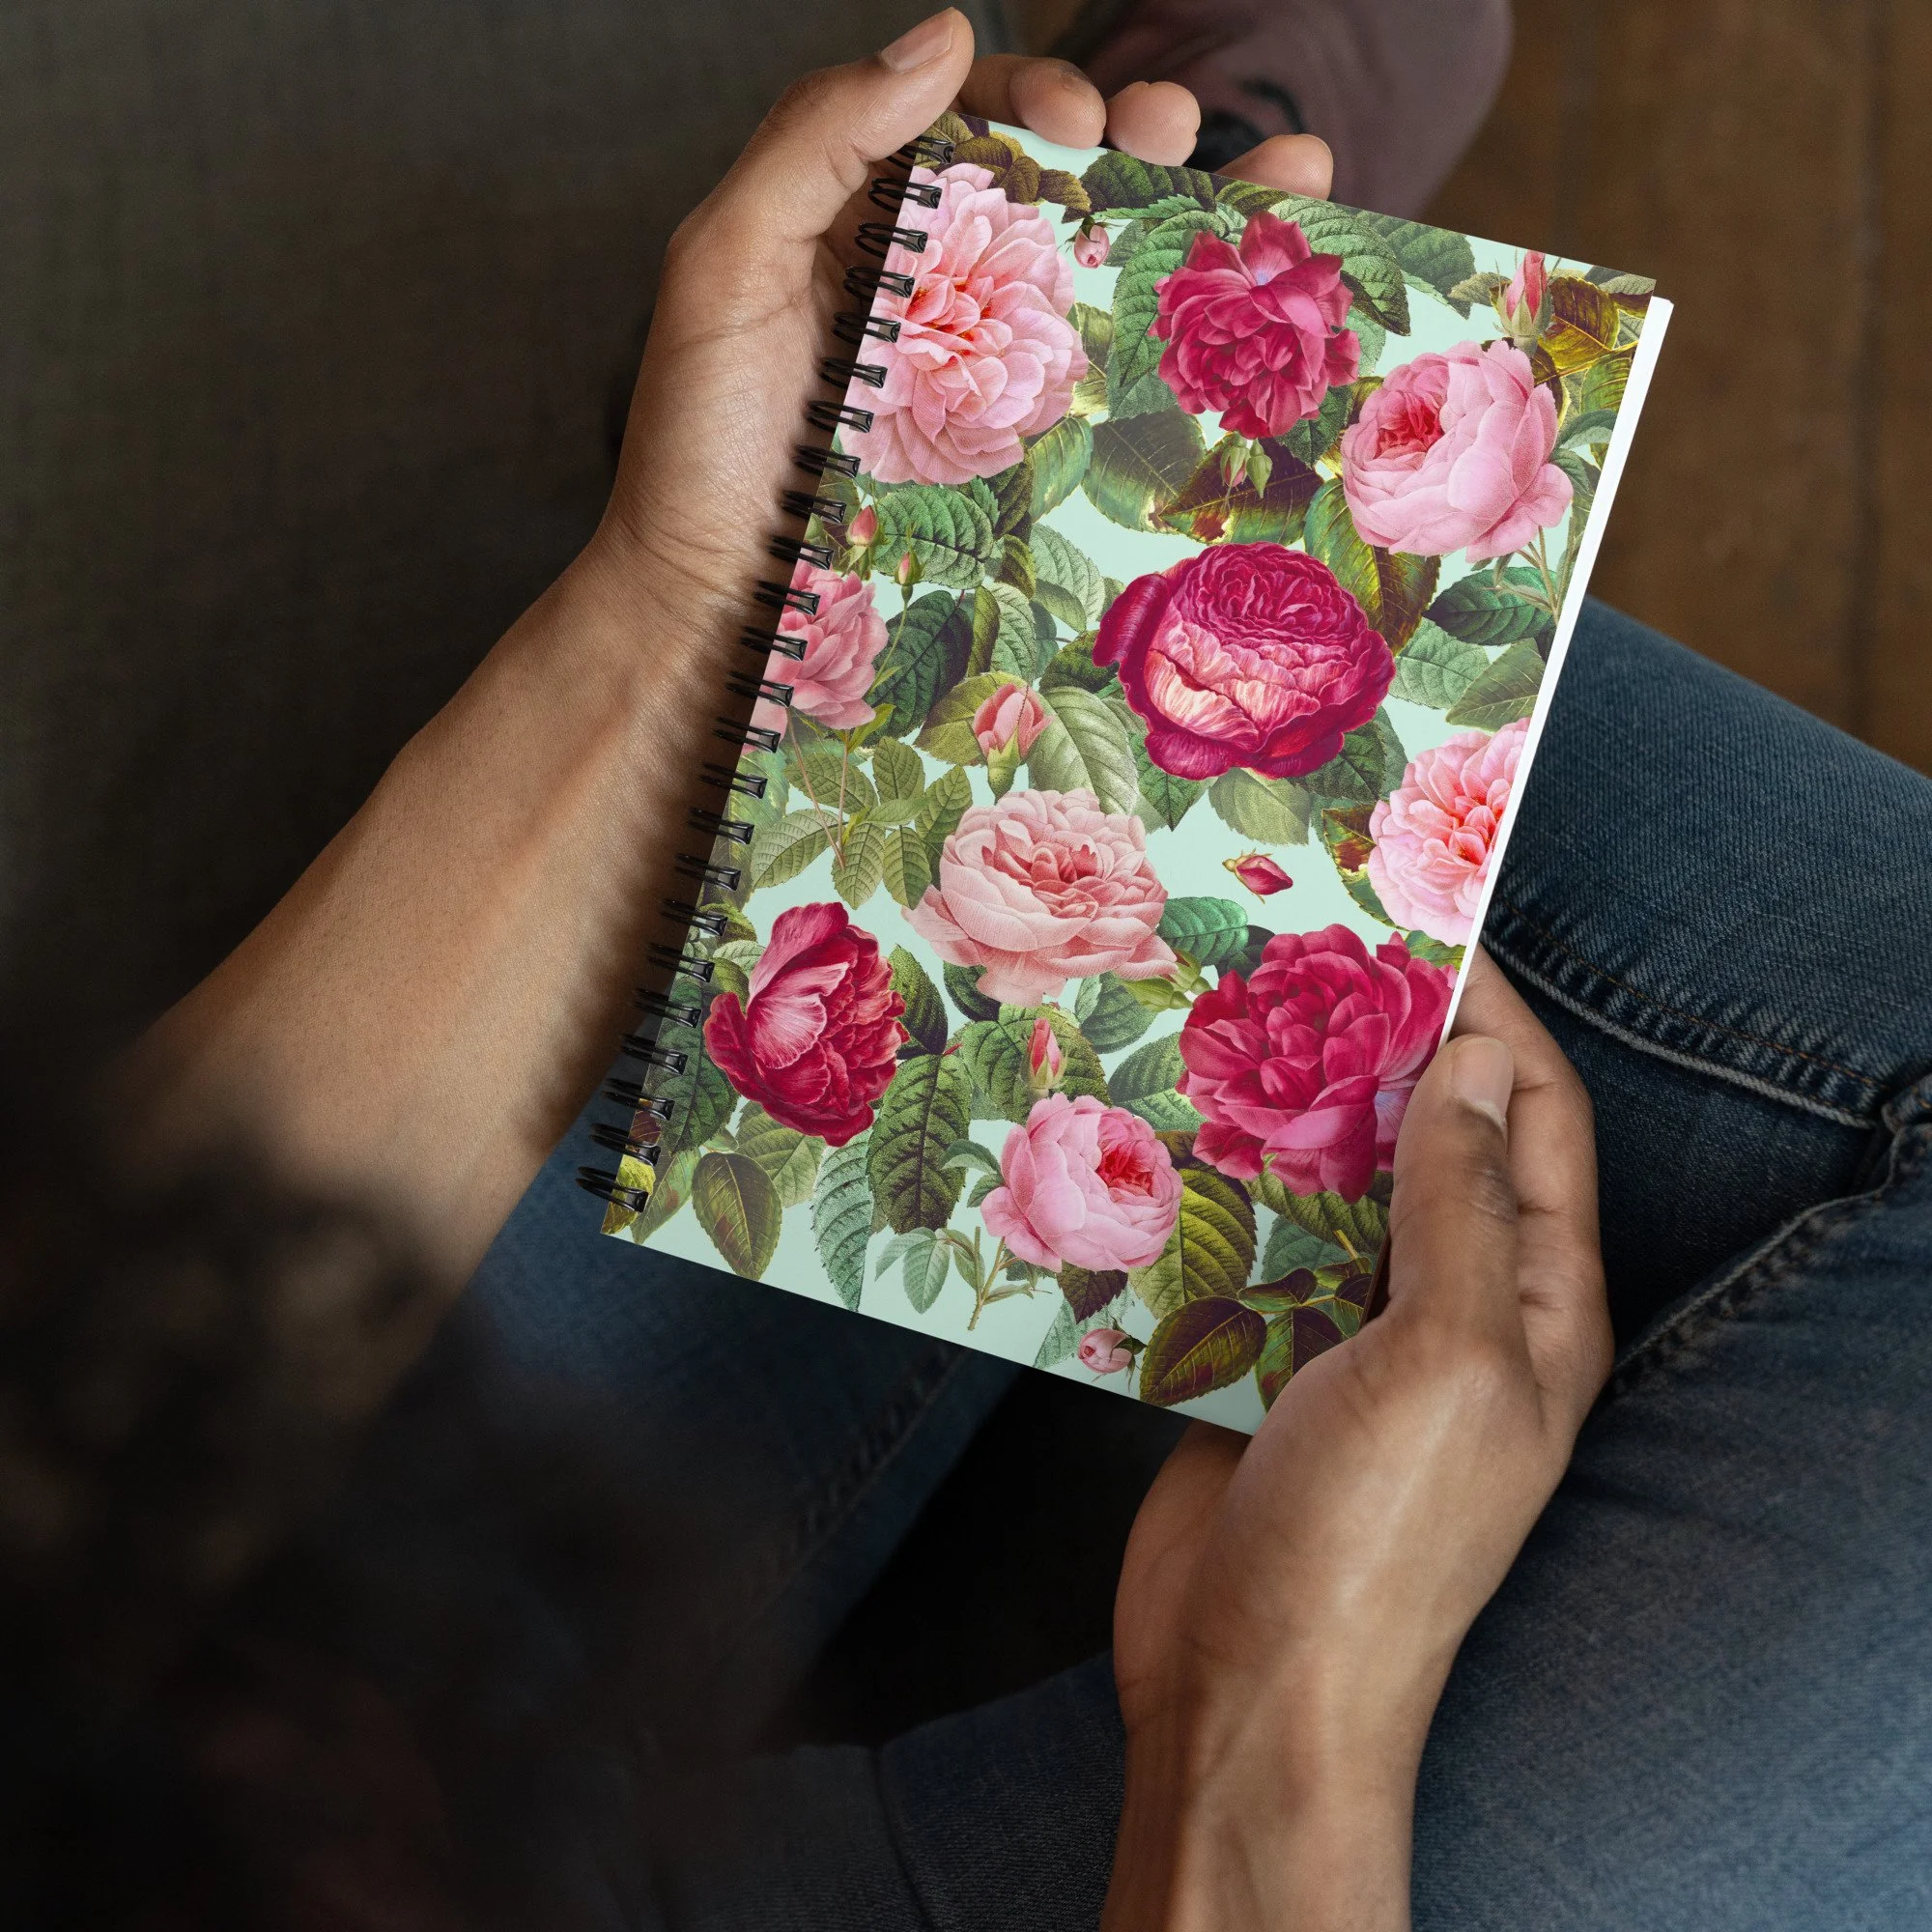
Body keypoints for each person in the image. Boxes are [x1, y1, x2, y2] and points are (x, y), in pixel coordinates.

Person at [6, 13, 1931, 1929]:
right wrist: (1270, 1736)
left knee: (900, 799)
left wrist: (676, 621)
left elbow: (65, 1462)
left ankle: (969, 442)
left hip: (182, 1729)